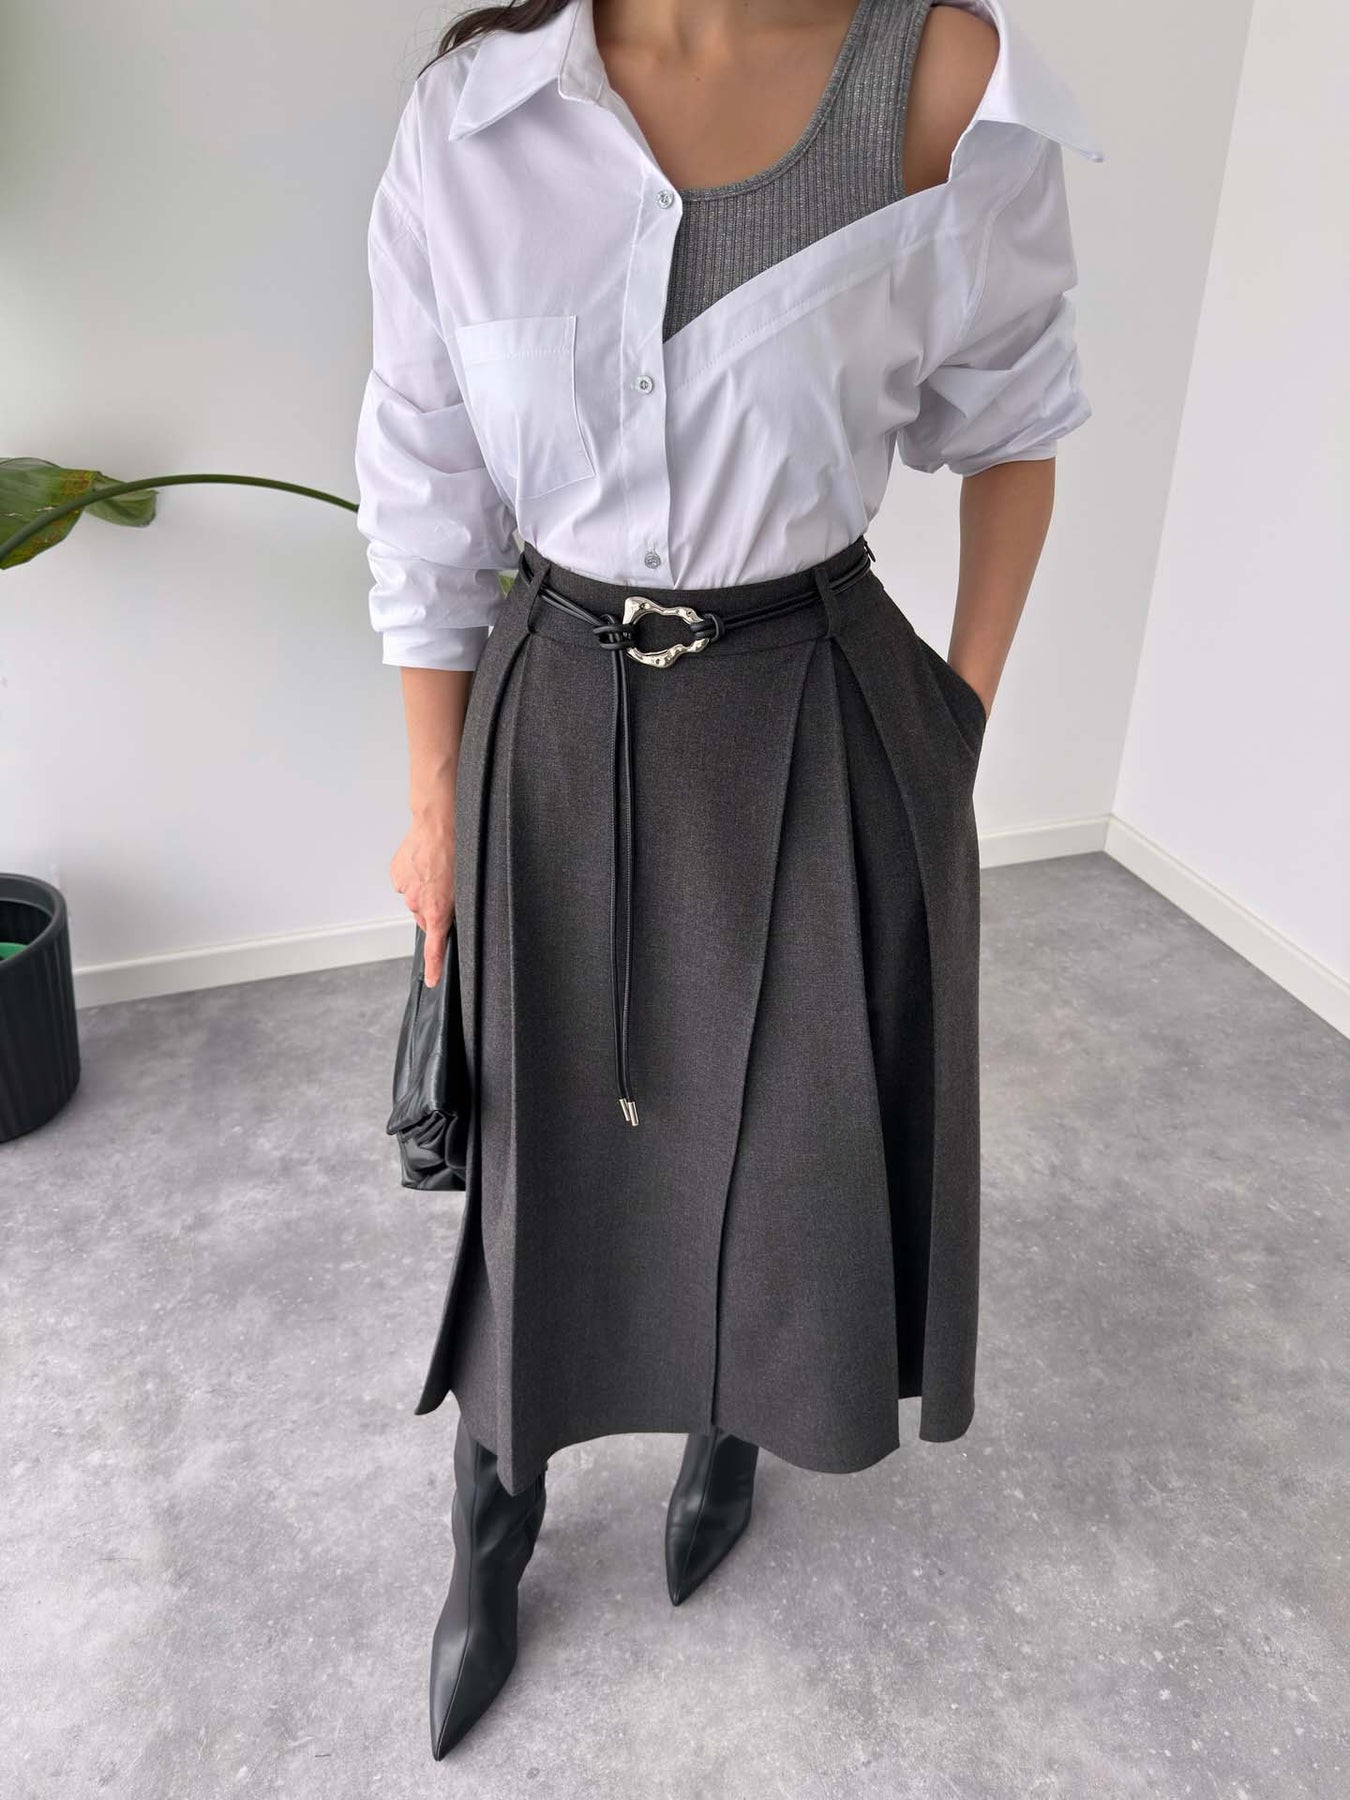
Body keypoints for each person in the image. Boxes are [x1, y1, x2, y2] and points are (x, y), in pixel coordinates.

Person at [354, 0, 1103, 1759]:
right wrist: (432, 793)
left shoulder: (942, 79)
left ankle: (730, 1432)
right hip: (552, 707)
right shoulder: (472, 118)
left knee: (783, 1124)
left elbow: (1016, 421)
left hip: (812, 691)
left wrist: (953, 721)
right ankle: (493, 1518)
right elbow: (425, 476)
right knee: (539, 1148)